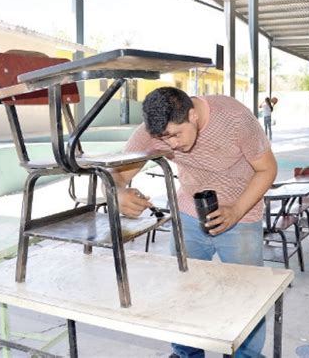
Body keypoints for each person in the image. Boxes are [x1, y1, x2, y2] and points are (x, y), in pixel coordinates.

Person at [111, 87, 277, 358]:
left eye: (176, 134)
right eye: (164, 139)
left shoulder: (234, 118)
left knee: (246, 295)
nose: (172, 145)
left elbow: (267, 168)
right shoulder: (153, 130)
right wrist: (118, 193)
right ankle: (186, 353)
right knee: (183, 288)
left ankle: (245, 356)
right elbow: (117, 174)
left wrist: (235, 211)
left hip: (241, 214)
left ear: (193, 115)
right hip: (189, 212)